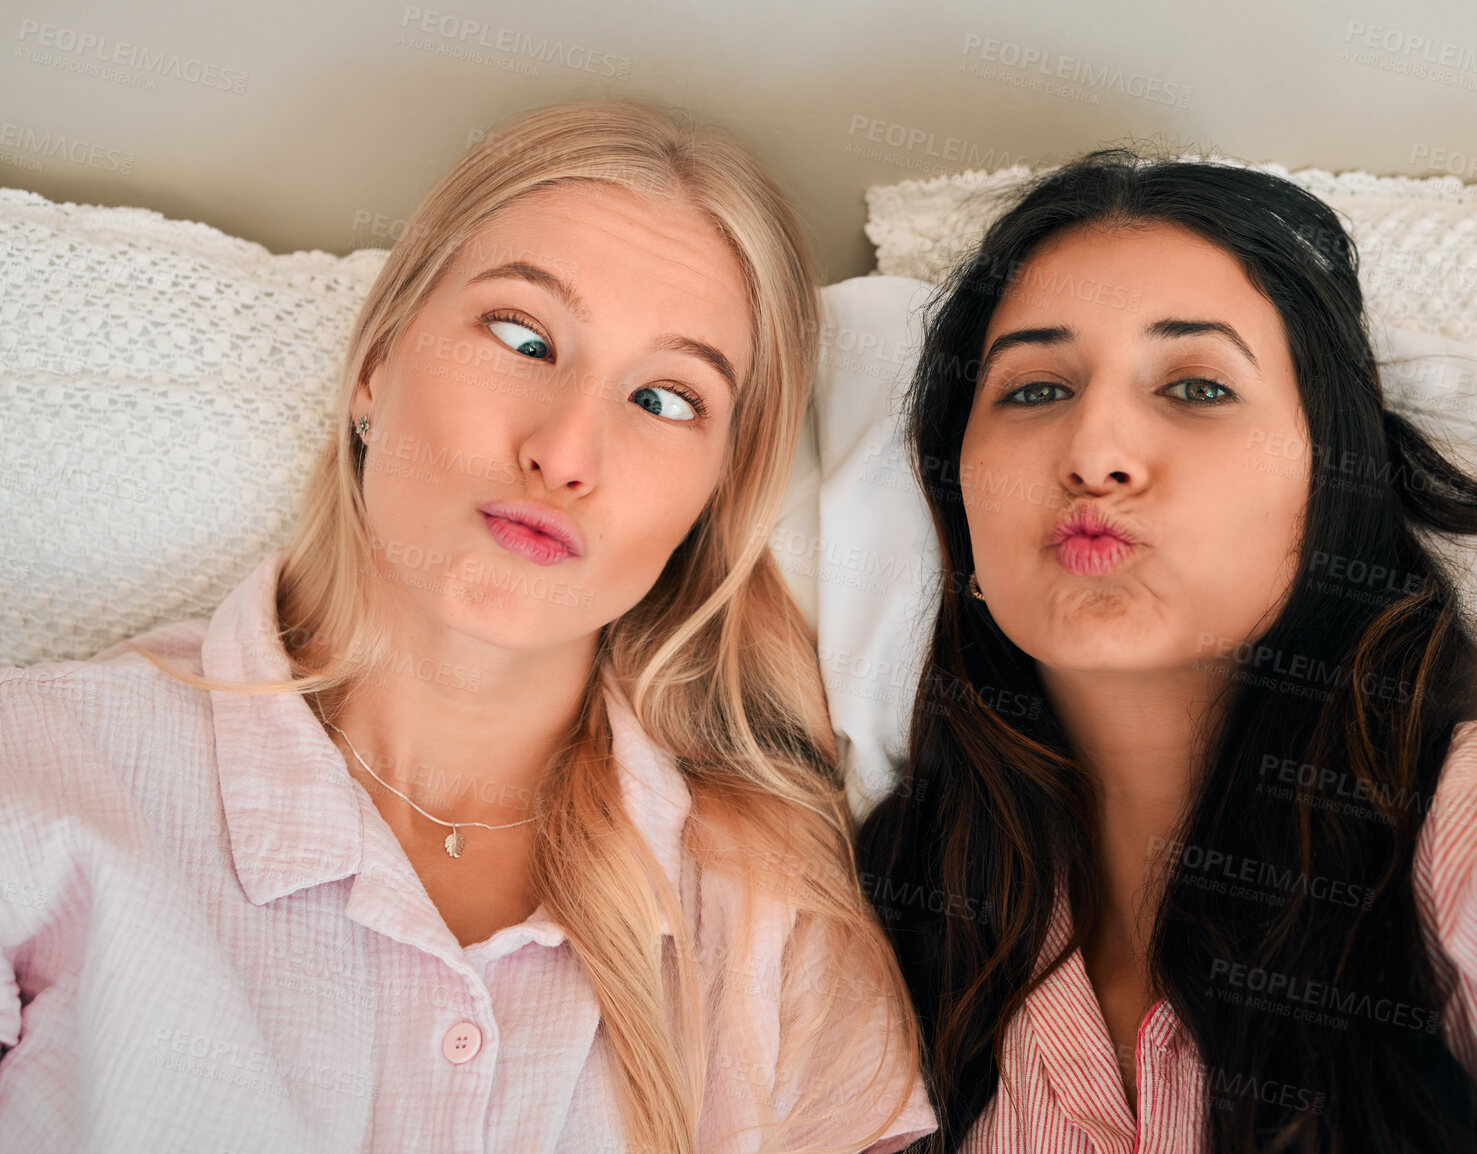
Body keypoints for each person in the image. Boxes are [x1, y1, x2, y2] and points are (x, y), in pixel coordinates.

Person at [0, 100, 931, 1154]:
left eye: (666, 398)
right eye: (523, 337)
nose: (567, 450)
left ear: (714, 500)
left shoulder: (778, 922)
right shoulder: (36, 780)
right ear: (373, 369)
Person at [855, 131, 1477, 1154]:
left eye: (1196, 386)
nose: (1096, 452)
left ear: (1332, 473)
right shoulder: (880, 930)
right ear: (955, 485)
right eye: (1035, 389)